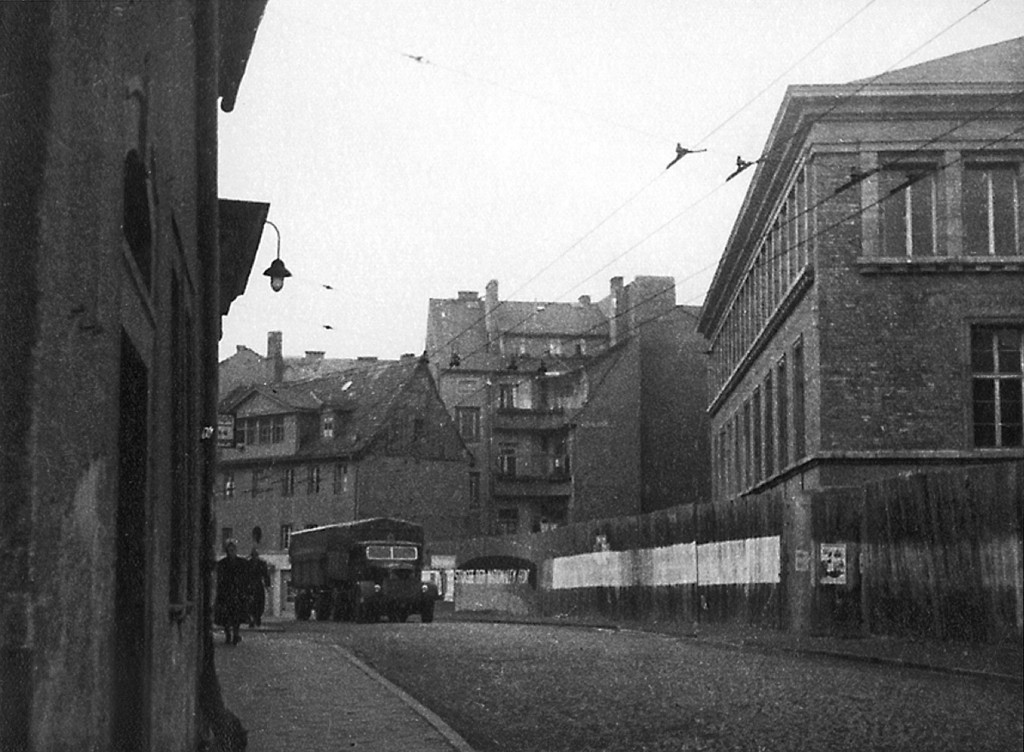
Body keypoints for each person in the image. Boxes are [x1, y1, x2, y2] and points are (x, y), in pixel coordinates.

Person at [215, 539, 248, 645]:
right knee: (225, 617)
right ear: (227, 551)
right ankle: (228, 635)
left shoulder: (242, 563)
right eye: (230, 550)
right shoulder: (222, 564)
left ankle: (235, 635)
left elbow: (245, 577)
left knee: (236, 618)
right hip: (226, 593)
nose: (231, 552)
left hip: (237, 594)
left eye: (233, 549)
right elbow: (220, 579)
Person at [247, 547, 271, 628]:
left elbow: (266, 575)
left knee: (260, 602)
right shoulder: (248, 563)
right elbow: (244, 575)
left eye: (255, 555)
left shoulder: (262, 564)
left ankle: (257, 618)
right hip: (250, 585)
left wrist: (267, 585)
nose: (254, 557)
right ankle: (252, 619)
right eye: (253, 556)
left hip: (258, 585)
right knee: (250, 603)